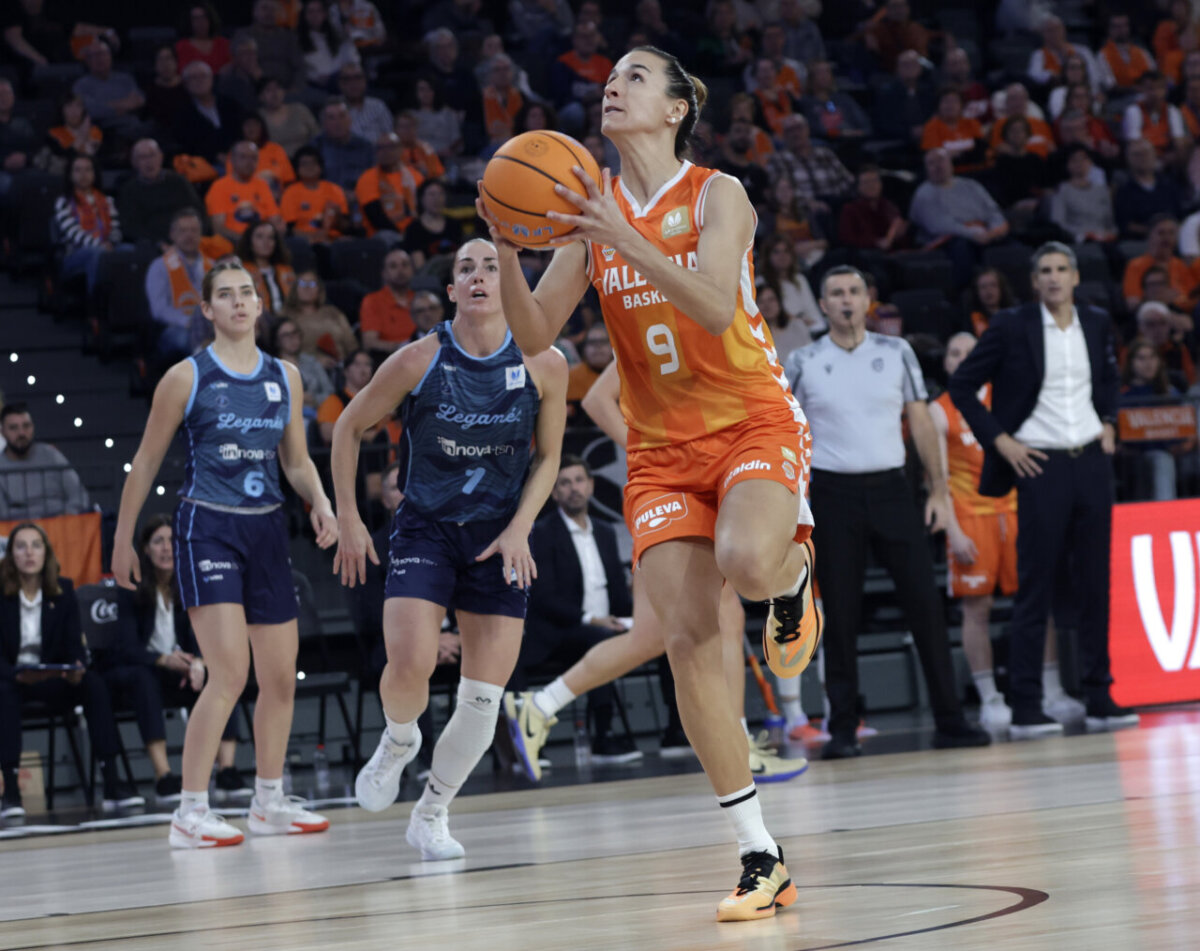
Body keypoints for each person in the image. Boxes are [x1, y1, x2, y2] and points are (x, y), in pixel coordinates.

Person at [480, 45, 822, 921]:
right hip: (662, 449)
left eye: (635, 76)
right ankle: (759, 851)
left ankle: (792, 576)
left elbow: (712, 304)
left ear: (675, 109)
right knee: (685, 635)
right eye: (610, 77)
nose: (614, 85)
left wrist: (616, 236)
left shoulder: (718, 193)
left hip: (749, 415)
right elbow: (534, 335)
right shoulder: (589, 210)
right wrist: (513, 245)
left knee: (748, 563)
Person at [332, 238, 568, 861]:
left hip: (500, 533)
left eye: (493, 266)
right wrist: (350, 517)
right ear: (453, 291)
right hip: (427, 527)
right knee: (407, 662)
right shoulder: (419, 358)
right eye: (468, 268)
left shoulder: (546, 363)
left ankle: (431, 812)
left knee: (483, 700)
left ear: (511, 282)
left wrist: (520, 529)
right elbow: (348, 426)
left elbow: (549, 460)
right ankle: (399, 739)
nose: (481, 276)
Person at [111, 258, 338, 848]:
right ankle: (189, 810)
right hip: (206, 528)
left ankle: (268, 802)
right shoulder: (186, 378)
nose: (240, 302)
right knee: (230, 671)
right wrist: (122, 537)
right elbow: (146, 462)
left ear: (261, 305)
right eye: (227, 295)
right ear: (207, 309)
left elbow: (295, 460)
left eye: (248, 293)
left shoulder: (284, 375)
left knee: (280, 677)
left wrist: (321, 502)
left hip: (265, 531)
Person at [506, 360, 808, 780]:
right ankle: (739, 750)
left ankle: (539, 706)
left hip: (687, 483)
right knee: (721, 617)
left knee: (651, 636)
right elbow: (595, 399)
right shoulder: (657, 319)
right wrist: (655, 452)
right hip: (675, 487)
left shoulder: (708, 328)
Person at [784, 266, 990, 759]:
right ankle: (843, 728)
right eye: (836, 293)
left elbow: (921, 422)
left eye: (855, 290)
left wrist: (938, 493)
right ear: (824, 304)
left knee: (925, 605)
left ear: (868, 299)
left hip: (894, 488)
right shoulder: (803, 359)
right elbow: (784, 429)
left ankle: (949, 720)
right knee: (841, 612)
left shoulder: (897, 352)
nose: (847, 300)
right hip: (832, 494)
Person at [949, 242, 1140, 737]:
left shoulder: (1096, 321)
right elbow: (963, 386)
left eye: (1062, 270)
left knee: (1097, 582)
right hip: (1039, 466)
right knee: (1035, 587)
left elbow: (1111, 377)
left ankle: (1101, 695)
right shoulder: (1012, 325)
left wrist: (1110, 421)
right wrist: (1001, 442)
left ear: (1076, 277)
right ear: (1034, 282)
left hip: (1091, 462)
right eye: (1045, 271)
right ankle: (1028, 704)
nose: (1054, 278)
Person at [95, 515, 248, 805]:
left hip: (184, 669)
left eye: (172, 541)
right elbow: (127, 648)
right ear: (146, 550)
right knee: (145, 679)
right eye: (158, 542)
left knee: (224, 673)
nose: (166, 548)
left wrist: (200, 661)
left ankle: (227, 769)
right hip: (142, 669)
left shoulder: (191, 583)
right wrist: (164, 660)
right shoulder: (131, 586)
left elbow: (208, 634)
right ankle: (163, 775)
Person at [0, 522, 143, 817]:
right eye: (21, 546)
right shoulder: (1, 593)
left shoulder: (62, 590)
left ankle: (112, 781)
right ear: (10, 554)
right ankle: (11, 791)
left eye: (36, 545)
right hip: (13, 680)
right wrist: (15, 674)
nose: (29, 553)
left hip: (52, 678)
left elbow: (74, 645)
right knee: (4, 694)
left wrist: (76, 666)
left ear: (46, 553)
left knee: (92, 683)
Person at [507, 455, 640, 763]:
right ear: (553, 493)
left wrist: (630, 614)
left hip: (607, 625)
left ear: (591, 485)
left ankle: (677, 731)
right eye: (564, 483)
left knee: (666, 637)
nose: (573, 489)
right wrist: (591, 620)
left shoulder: (606, 531)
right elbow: (543, 597)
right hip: (560, 632)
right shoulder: (541, 532)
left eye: (579, 481)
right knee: (600, 639)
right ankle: (602, 737)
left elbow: (618, 593)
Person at [930, 333, 1018, 732]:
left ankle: (1047, 689)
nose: (962, 358)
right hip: (971, 517)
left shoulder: (1007, 396)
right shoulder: (938, 410)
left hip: (1015, 512)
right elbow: (938, 477)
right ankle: (990, 696)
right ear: (946, 363)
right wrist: (953, 528)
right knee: (976, 609)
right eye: (954, 352)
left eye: (969, 351)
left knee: (1036, 601)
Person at [909, 148, 1010, 290]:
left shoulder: (970, 185)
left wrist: (996, 230)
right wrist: (974, 234)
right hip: (950, 240)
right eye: (932, 163)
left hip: (985, 233)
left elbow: (993, 212)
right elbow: (939, 225)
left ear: (950, 164)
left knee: (1012, 246)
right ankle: (966, 294)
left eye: (941, 161)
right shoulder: (924, 194)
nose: (938, 166)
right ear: (926, 169)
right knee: (961, 247)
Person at [1119, 336, 1185, 501]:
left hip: (1169, 455)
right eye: (1141, 358)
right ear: (1131, 362)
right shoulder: (1122, 396)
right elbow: (1116, 437)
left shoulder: (1171, 394)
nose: (1148, 363)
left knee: (1162, 459)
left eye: (1152, 357)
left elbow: (1188, 434)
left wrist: (1184, 445)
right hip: (1131, 457)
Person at [145, 208, 212, 359]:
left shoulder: (212, 266)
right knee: (187, 340)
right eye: (183, 231)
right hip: (176, 327)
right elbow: (159, 309)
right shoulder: (159, 266)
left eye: (194, 230)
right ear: (172, 235)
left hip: (208, 326)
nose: (189, 235)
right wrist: (188, 321)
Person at [53, 153, 123, 292]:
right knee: (96, 253)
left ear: (94, 173)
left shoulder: (107, 201)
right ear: (70, 174)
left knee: (131, 251)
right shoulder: (63, 202)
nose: (83, 174)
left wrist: (112, 242)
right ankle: (95, 305)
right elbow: (74, 235)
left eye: (88, 169)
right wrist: (101, 245)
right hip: (75, 254)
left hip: (107, 246)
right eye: (77, 170)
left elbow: (116, 229)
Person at [118, 139, 206, 247]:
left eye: (152, 155)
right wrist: (158, 243)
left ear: (161, 157)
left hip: (186, 238)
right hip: (151, 244)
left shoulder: (179, 182)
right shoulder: (129, 190)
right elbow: (130, 227)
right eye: (142, 157)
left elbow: (198, 211)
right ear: (134, 162)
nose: (149, 161)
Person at [205, 141, 284, 246]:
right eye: (243, 157)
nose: (249, 162)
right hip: (234, 243)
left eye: (253, 158)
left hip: (264, 243)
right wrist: (249, 241)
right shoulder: (219, 187)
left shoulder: (262, 185)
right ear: (232, 160)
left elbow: (275, 220)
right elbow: (219, 230)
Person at [173, 61, 245, 167]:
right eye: (193, 77)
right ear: (185, 84)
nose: (199, 81)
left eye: (203, 76)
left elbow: (241, 132)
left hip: (237, 158)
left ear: (211, 79)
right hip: (204, 166)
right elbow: (187, 145)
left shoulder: (230, 105)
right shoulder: (182, 113)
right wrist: (215, 155)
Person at [281, 269, 359, 367]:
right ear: (295, 288)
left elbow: (351, 344)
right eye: (302, 283)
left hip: (342, 368)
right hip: (306, 370)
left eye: (312, 284)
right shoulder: (286, 316)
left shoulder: (333, 312)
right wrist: (314, 362)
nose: (307, 287)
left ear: (319, 289)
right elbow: (283, 350)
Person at [355, 132, 423, 239]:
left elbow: (423, 209)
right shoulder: (367, 178)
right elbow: (375, 217)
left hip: (415, 231)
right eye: (381, 148)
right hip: (383, 235)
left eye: (391, 146)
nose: (385, 152)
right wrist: (403, 236)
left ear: (401, 149)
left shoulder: (415, 176)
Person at [1049, 145, 1118, 245]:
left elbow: (1110, 222)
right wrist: (1082, 235)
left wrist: (1111, 234)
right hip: (1077, 242)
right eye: (1074, 160)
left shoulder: (1102, 190)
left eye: (1083, 159)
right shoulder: (1062, 190)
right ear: (1067, 165)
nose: (1079, 163)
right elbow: (1058, 223)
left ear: (1090, 163)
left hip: (1105, 239)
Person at [359, 248, 416, 356]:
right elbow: (369, 343)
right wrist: (403, 347)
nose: (400, 270)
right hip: (391, 360)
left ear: (412, 270)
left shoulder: (421, 299)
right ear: (384, 273)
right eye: (393, 266)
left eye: (405, 265)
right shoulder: (372, 301)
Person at [311, 98, 374, 193]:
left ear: (350, 119)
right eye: (331, 118)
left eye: (342, 116)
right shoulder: (314, 148)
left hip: (359, 198)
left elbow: (373, 179)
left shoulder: (365, 147)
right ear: (324, 123)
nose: (338, 122)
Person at [273, 316, 334, 414]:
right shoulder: (272, 367)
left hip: (318, 414)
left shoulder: (312, 362)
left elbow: (330, 392)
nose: (292, 338)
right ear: (277, 341)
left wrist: (314, 399)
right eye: (286, 335)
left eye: (295, 333)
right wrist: (297, 398)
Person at [236, 220, 294, 319]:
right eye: (259, 237)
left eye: (271, 237)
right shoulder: (241, 272)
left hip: (290, 320)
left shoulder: (286, 270)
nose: (266, 242)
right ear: (249, 242)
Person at [317, 349, 376, 444]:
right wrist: (365, 436)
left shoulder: (376, 400)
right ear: (346, 371)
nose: (363, 369)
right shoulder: (334, 400)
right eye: (357, 364)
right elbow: (327, 433)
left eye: (367, 364)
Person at [402, 179, 462, 271]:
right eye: (431, 194)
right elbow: (420, 268)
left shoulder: (454, 224)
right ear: (421, 199)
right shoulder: (414, 229)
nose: (437, 199)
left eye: (440, 194)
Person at [299, 0, 359, 89]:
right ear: (304, 15)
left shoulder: (335, 36)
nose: (315, 15)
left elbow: (351, 57)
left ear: (325, 14)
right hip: (315, 84)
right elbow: (299, 69)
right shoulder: (298, 40)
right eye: (311, 12)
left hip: (339, 78)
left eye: (319, 11)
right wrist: (316, 77)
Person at [257, 77, 318, 158]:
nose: (275, 93)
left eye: (278, 88)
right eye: (268, 90)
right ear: (260, 96)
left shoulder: (300, 109)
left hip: (305, 161)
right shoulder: (258, 117)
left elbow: (316, 135)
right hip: (274, 163)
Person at [339, 63, 391, 144]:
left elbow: (390, 135)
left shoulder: (378, 106)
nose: (353, 83)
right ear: (341, 84)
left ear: (365, 81)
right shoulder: (335, 109)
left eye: (358, 78)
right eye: (347, 79)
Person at [176, 3, 231, 75]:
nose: (200, 22)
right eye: (195, 18)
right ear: (189, 22)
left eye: (204, 17)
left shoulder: (224, 44)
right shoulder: (181, 47)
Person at [965, 267, 1016, 337]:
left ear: (1001, 288)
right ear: (977, 291)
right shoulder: (971, 318)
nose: (989, 291)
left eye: (993, 285)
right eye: (983, 287)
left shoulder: (1013, 314)